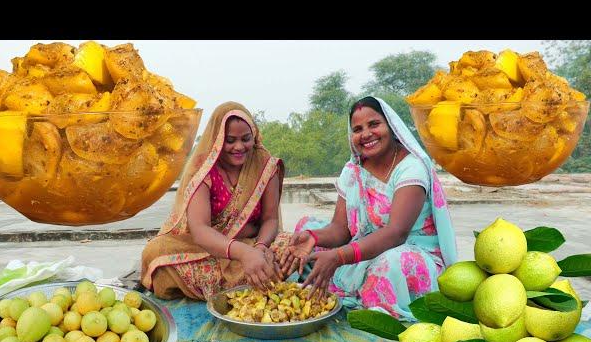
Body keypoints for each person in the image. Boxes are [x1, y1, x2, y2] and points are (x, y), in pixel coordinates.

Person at [279, 96, 458, 320]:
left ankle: (375, 304)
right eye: (358, 129)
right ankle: (335, 284)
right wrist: (313, 237)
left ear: (391, 127)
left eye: (374, 124)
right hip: (367, 245)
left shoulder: (411, 168)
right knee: (305, 228)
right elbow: (340, 229)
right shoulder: (353, 170)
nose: (366, 134)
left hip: (410, 250)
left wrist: (340, 257)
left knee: (388, 264)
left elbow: (396, 233)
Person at [141, 101, 291, 300]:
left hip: (255, 243)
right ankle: (254, 282)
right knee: (155, 252)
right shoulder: (204, 169)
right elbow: (200, 230)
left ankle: (248, 278)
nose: (239, 147)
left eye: (246, 139)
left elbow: (270, 219)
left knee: (290, 246)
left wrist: (260, 249)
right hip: (207, 250)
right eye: (230, 140)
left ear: (254, 136)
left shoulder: (264, 164)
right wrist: (243, 254)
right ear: (218, 138)